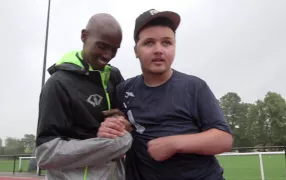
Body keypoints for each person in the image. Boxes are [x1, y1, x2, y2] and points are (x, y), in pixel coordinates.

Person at [98, 9, 233, 180]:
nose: (158, 50)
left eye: (166, 43)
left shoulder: (194, 87)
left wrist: (174, 144)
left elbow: (224, 139)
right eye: (149, 43)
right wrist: (112, 127)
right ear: (136, 51)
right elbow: (119, 127)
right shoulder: (123, 90)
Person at [35, 13, 133, 180]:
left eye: (114, 49)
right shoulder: (58, 84)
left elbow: (130, 123)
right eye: (102, 46)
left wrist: (121, 123)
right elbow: (45, 154)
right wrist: (112, 144)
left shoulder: (114, 76)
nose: (108, 55)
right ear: (84, 36)